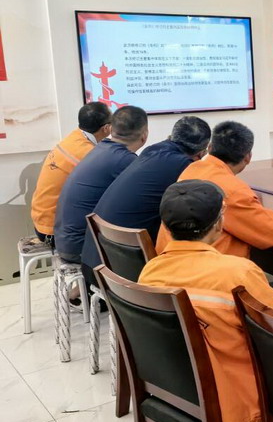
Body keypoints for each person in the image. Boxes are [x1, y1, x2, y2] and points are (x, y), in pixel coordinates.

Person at [138, 180, 273, 422]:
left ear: (165, 227)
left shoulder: (150, 272)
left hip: (181, 389)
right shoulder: (237, 272)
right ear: (218, 225)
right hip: (237, 397)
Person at [156, 121, 273, 259]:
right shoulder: (233, 190)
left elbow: (242, 217)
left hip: (169, 261)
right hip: (207, 268)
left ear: (209, 148)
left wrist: (271, 217)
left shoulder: (192, 169)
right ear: (248, 157)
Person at [81, 116, 211, 272]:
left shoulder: (153, 150)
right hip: (126, 271)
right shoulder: (184, 166)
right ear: (202, 152)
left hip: (96, 262)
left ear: (171, 137)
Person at [54, 106, 148, 292]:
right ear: (144, 136)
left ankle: (84, 291)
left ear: (111, 129)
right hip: (80, 248)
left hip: (64, 239)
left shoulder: (100, 149)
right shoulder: (125, 161)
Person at [31, 102, 112, 242]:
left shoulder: (75, 138)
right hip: (54, 230)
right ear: (106, 128)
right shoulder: (88, 154)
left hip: (42, 219)